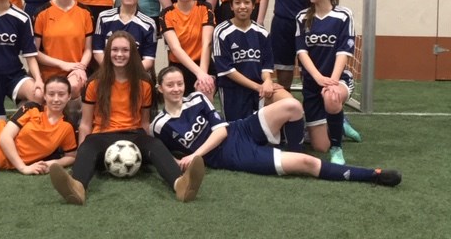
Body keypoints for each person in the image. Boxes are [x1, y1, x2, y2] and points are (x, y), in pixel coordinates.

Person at [150, 67, 401, 187]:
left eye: (180, 84)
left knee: (292, 106)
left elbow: (222, 130)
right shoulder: (159, 125)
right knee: (308, 165)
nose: (176, 89)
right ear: (160, 89)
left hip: (238, 130)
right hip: (233, 156)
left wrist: (195, 154)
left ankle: (295, 148)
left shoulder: (197, 98)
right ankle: (373, 174)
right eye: (170, 85)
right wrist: (182, 159)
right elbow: (164, 154)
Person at [48, 31, 205, 205]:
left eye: (125, 50)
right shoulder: (94, 83)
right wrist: (81, 154)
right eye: (115, 50)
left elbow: (145, 123)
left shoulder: (144, 83)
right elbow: (85, 124)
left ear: (132, 54)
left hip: (134, 135)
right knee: (87, 149)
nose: (119, 54)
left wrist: (158, 153)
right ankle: (76, 188)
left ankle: (181, 184)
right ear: (108, 53)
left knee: (156, 145)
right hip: (101, 136)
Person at [271, 0, 361, 143]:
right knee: (283, 78)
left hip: (309, 28)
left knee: (316, 76)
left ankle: (337, 118)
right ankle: (287, 124)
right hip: (282, 26)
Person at [296, 0, 358, 165]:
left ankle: (337, 148)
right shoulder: (302, 17)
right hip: (313, 82)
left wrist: (332, 80)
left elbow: (343, 52)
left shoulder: (343, 15)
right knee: (319, 146)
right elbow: (302, 52)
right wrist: (318, 78)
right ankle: (340, 122)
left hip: (338, 78)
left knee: (331, 97)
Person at [213, 0, 292, 121]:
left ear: (253, 5)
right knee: (238, 133)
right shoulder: (221, 31)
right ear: (231, 6)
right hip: (233, 91)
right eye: (237, 2)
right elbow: (227, 70)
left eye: (246, 2)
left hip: (259, 90)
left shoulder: (262, 32)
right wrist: (258, 87)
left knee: (290, 103)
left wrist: (267, 81)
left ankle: (284, 140)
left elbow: (266, 66)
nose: (242, 6)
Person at [34, 0, 93, 99]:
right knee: (52, 90)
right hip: (49, 73)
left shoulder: (85, 13)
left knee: (70, 87)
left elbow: (88, 49)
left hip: (74, 72)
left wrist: (80, 67)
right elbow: (35, 51)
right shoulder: (42, 13)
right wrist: (62, 64)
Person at [160, 0, 215, 99]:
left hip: (203, 63)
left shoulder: (205, 8)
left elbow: (206, 43)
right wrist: (198, 73)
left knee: (204, 90)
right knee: (180, 106)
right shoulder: (166, 14)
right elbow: (175, 48)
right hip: (179, 67)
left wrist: (202, 75)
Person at [93, 0, 157, 72]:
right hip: (107, 73)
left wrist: (128, 75)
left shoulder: (149, 23)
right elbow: (97, 51)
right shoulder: (103, 17)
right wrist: (112, 72)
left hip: (135, 75)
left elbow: (149, 59)